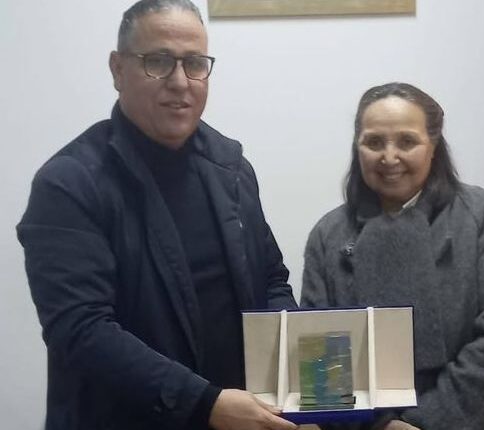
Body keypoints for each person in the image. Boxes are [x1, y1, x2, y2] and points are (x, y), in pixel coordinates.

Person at [17, 1, 298, 429]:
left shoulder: (231, 168)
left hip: (241, 416)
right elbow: (81, 330)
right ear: (117, 69)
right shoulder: (69, 184)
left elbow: (272, 280)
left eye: (195, 63)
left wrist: (290, 377)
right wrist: (205, 404)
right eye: (159, 61)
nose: (180, 82)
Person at [300, 82, 484, 430]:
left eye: (407, 142)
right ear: (357, 147)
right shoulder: (328, 235)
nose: (389, 157)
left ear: (433, 146)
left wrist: (425, 424)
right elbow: (323, 367)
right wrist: (382, 425)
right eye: (374, 142)